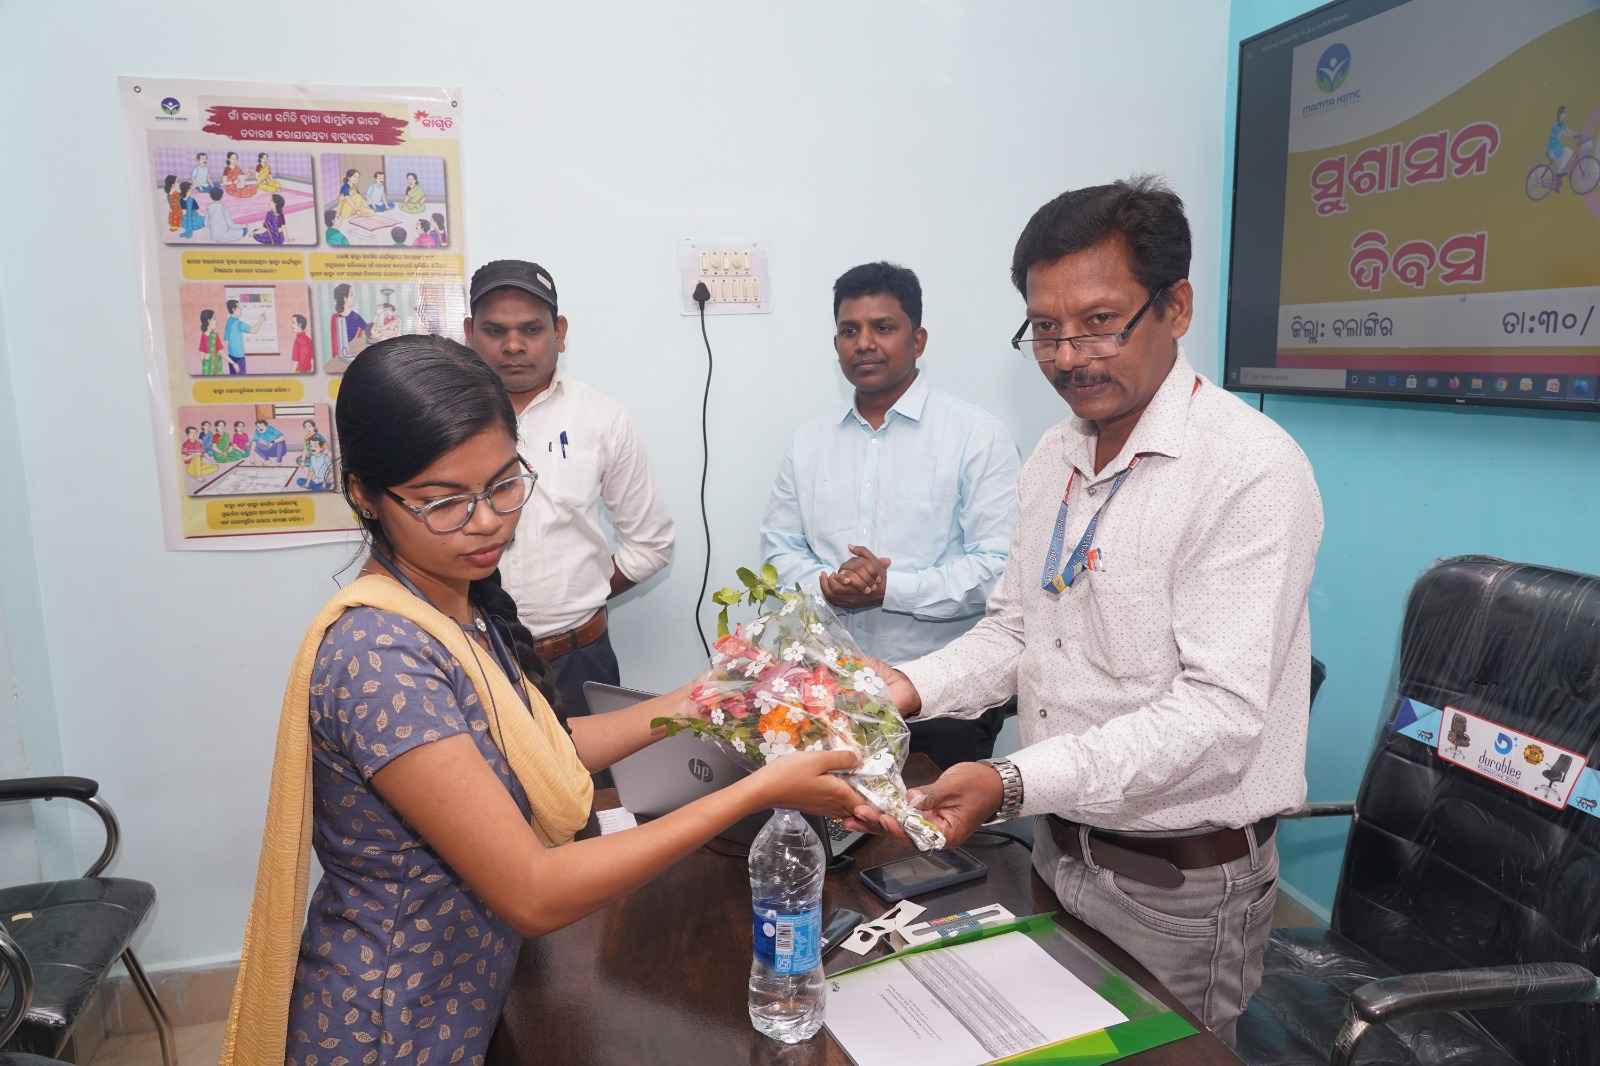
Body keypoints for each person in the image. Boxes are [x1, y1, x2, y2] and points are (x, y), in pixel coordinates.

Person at [218, 336, 859, 1066]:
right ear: (364, 494)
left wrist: (705, 697)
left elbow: (537, 747)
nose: (487, 520)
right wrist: (758, 791)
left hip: (460, 991)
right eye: (442, 501)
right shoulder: (381, 656)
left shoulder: (451, 606)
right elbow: (533, 891)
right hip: (391, 1022)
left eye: (502, 485)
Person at [851, 178, 1323, 1045]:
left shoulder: (1249, 470)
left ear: (1175, 306)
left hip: (1177, 888)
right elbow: (1016, 630)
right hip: (1059, 848)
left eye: (1100, 322)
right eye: (1045, 328)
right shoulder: (1055, 455)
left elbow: (1218, 716)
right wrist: (898, 690)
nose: (1069, 356)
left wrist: (1011, 782)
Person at [761, 262, 1019, 768]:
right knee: (829, 817)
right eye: (849, 330)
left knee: (933, 818)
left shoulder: (976, 436)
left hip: (942, 695)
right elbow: (779, 552)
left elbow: (999, 569)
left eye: (882, 327)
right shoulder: (809, 443)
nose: (864, 344)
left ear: (918, 340)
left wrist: (890, 589)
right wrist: (827, 586)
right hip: (829, 690)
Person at [463, 260, 675, 727]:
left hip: (577, 662)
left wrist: (584, 593)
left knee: (588, 776)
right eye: (495, 330)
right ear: (469, 333)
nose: (513, 346)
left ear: (559, 332)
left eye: (531, 329)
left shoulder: (600, 418)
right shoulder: (441, 418)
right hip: (469, 658)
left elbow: (651, 544)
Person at [328, 282, 369, 368]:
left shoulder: (356, 317)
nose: (354, 298)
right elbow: (334, 342)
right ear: (345, 298)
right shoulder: (335, 318)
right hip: (341, 359)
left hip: (356, 357)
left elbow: (368, 333)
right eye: (351, 295)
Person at [223, 299, 255, 374]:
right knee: (241, 379)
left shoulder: (228, 322)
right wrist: (261, 320)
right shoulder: (238, 323)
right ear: (233, 309)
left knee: (233, 378)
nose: (241, 309)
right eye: (239, 307)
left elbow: (226, 340)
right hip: (239, 358)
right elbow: (254, 330)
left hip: (231, 357)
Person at [1548, 104, 1575, 173]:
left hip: (1557, 147)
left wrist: (1577, 134)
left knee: (1568, 152)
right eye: (1564, 113)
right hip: (1553, 149)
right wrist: (1573, 135)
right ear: (1559, 114)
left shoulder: (1562, 124)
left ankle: (1560, 170)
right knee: (1569, 152)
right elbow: (1565, 133)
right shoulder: (1556, 125)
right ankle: (1560, 171)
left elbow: (1568, 131)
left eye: (1566, 113)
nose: (1565, 115)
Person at [197, 308, 224, 376]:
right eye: (214, 319)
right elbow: (201, 356)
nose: (216, 321)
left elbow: (221, 352)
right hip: (208, 368)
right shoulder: (204, 336)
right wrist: (205, 357)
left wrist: (232, 363)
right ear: (209, 321)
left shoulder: (215, 335)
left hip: (217, 367)